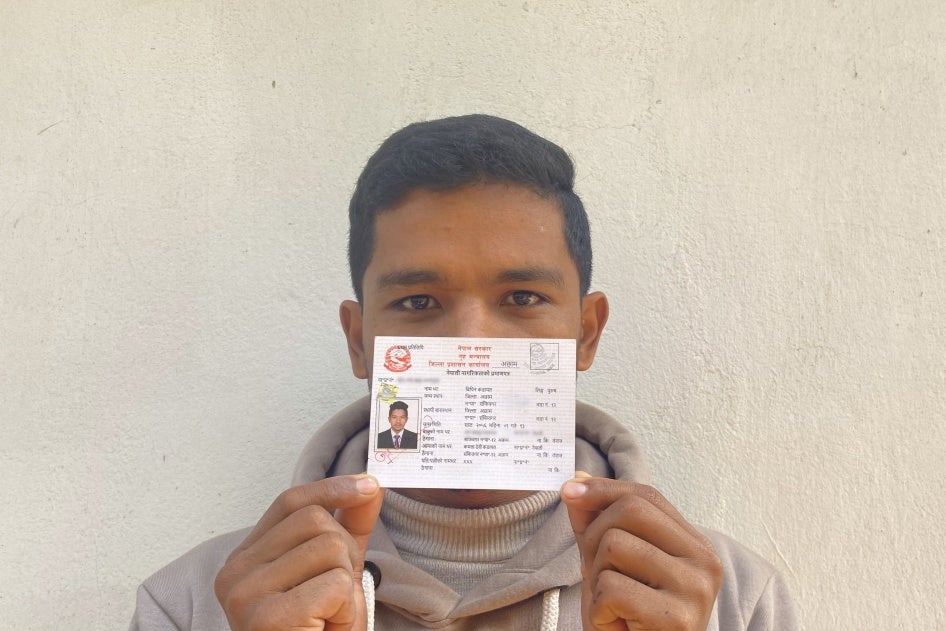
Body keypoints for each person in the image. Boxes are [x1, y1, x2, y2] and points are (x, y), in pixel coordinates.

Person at [131, 114, 796, 630]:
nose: (471, 339)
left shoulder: (729, 598)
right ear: (359, 341)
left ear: (585, 332)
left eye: (523, 298)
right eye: (419, 302)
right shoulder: (199, 600)